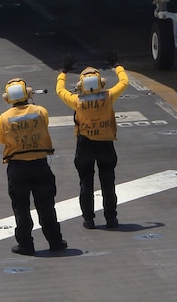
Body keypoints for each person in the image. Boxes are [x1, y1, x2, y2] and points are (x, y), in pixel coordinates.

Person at [0, 77, 67, 255]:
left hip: (17, 168)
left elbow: (1, 139)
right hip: (40, 165)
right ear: (28, 93)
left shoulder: (3, 118)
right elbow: (45, 124)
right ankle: (55, 241)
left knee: (21, 208)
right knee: (46, 206)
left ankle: (26, 244)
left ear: (7, 98)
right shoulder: (41, 111)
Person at [56, 55, 129, 229]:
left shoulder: (77, 101)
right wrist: (117, 66)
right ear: (101, 82)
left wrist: (63, 72)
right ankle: (111, 219)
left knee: (86, 184)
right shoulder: (108, 97)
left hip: (85, 146)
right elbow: (124, 82)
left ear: (81, 85)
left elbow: (60, 90)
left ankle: (88, 219)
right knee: (108, 184)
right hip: (106, 145)